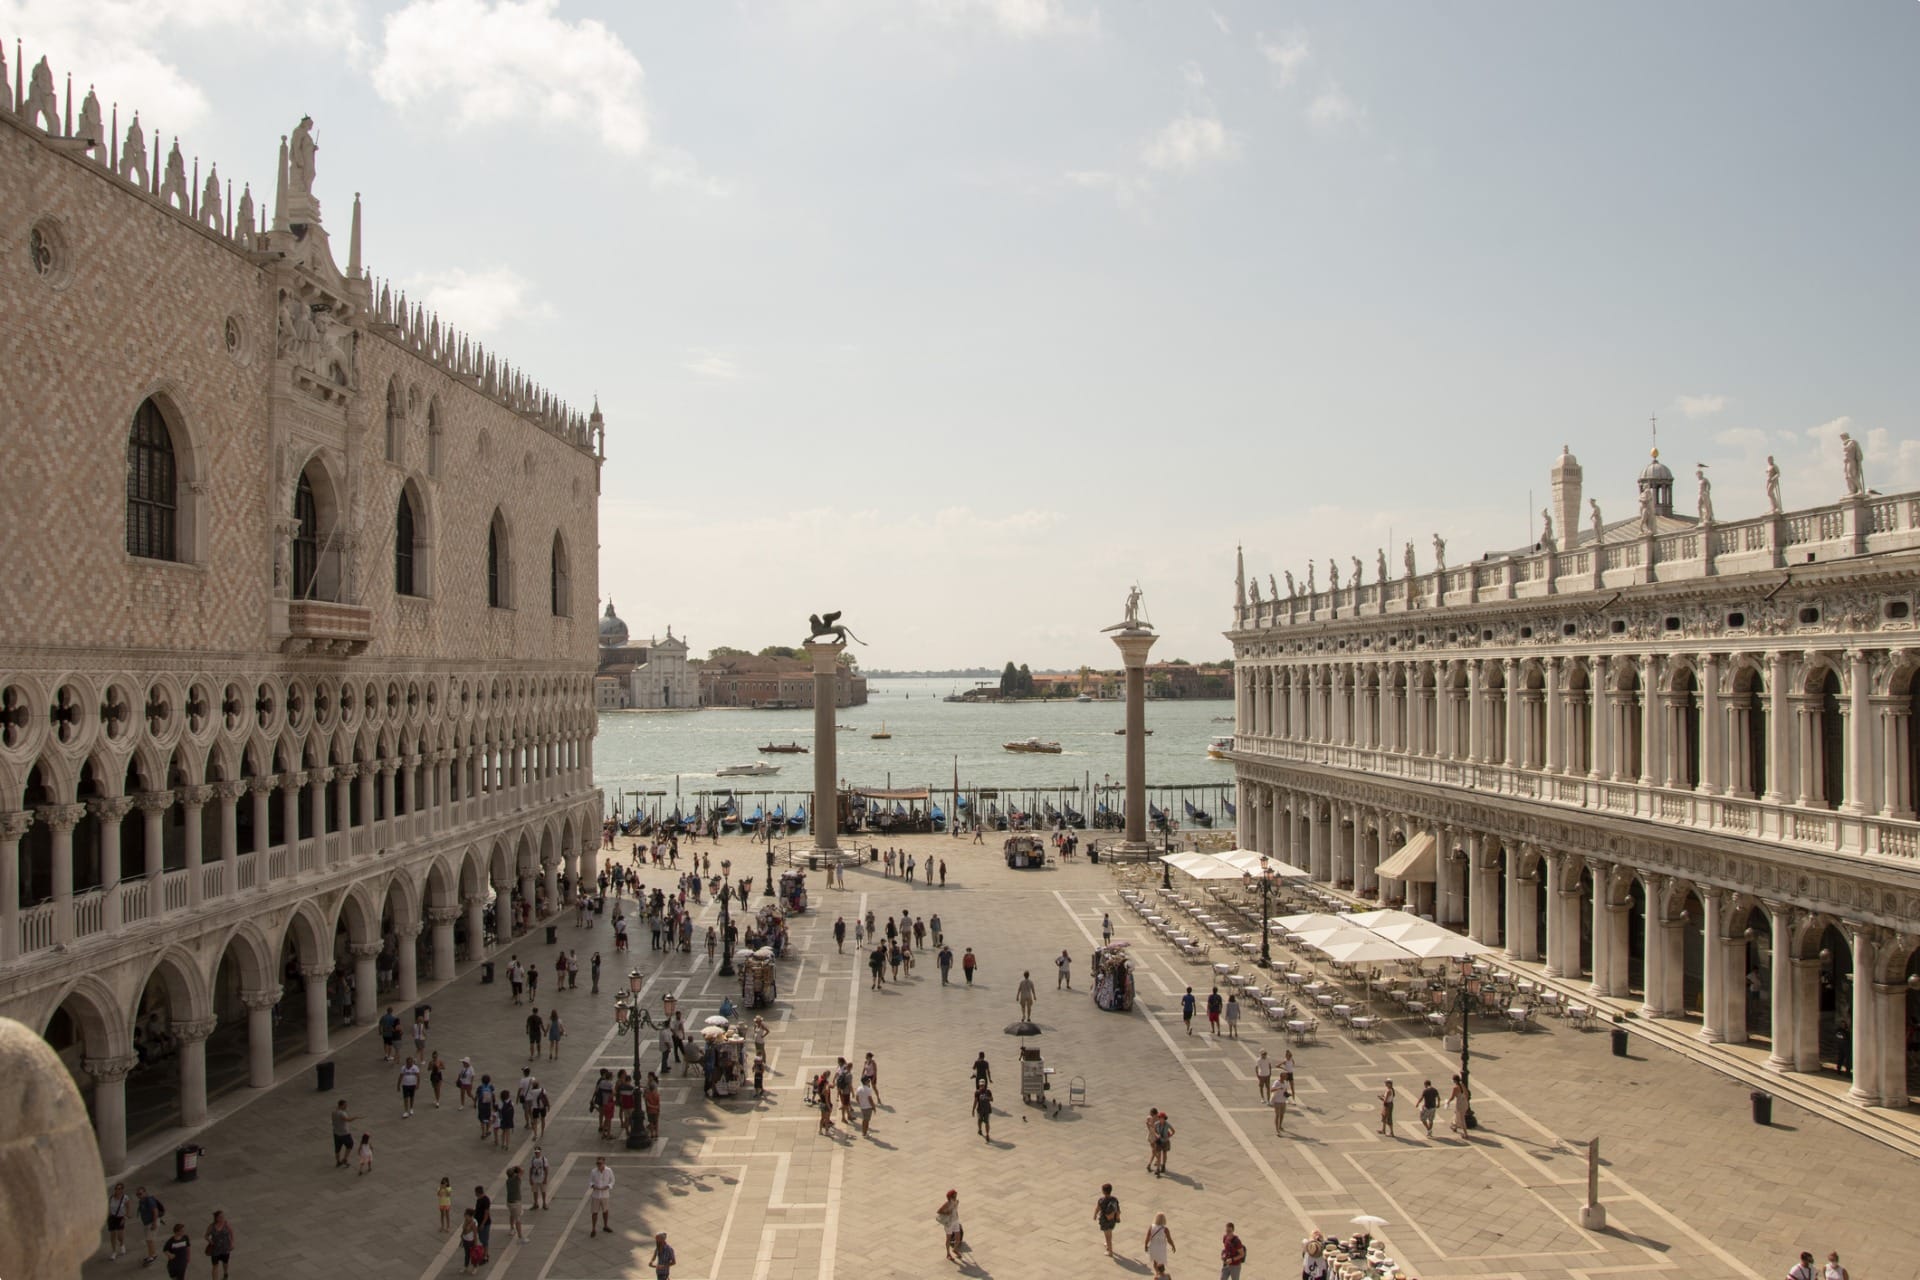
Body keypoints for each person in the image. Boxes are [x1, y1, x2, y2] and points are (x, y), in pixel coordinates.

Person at [137, 1184, 167, 1263]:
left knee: (149, 1239)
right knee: (149, 1240)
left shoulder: (149, 1200)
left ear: (145, 1192)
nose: (139, 1196)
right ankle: (152, 1254)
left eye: (140, 1193)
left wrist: (154, 1223)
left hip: (152, 1222)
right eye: (137, 1194)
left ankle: (152, 1255)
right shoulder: (142, 1201)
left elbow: (155, 1211)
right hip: (147, 1222)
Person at [586, 1157, 615, 1237]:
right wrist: (593, 1186)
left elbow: (613, 1181)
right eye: (597, 1163)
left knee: (605, 1211)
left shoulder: (609, 1170)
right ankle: (593, 1229)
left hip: (605, 1194)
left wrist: (608, 1186)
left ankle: (605, 1226)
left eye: (600, 1163)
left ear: (604, 1163)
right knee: (594, 1212)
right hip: (596, 1195)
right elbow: (590, 1181)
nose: (598, 1165)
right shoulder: (593, 1171)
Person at [203, 1210, 235, 1280]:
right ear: (216, 1218)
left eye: (223, 1217)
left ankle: (225, 1273)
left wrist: (232, 1242)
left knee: (225, 1263)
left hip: (225, 1248)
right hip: (215, 1249)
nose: (222, 1218)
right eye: (220, 1217)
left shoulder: (226, 1224)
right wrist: (210, 1241)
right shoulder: (211, 1226)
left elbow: (231, 1232)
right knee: (215, 1266)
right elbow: (206, 1236)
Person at [936, 1190, 963, 1262]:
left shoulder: (956, 1201)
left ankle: (955, 1249)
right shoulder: (947, 1204)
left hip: (955, 1221)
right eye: (954, 1195)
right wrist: (947, 1212)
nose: (956, 1196)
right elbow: (939, 1211)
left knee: (958, 1238)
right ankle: (948, 1254)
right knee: (948, 1238)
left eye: (956, 1195)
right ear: (951, 1196)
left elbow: (955, 1210)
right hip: (949, 1223)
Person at [106, 1181, 131, 1259]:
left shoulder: (125, 1198)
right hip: (112, 1218)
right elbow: (109, 1207)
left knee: (120, 1235)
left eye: (120, 1188)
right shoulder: (111, 1198)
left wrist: (126, 1216)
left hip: (120, 1217)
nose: (118, 1190)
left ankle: (122, 1244)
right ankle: (114, 1252)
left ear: (122, 1189)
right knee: (112, 1235)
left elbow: (128, 1207)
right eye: (116, 1188)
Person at [1095, 1183, 1121, 1258]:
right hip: (1112, 1220)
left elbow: (1097, 1208)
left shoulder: (1101, 1200)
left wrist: (1095, 1215)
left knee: (1107, 1236)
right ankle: (1108, 1244)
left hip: (1104, 1220)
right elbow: (1118, 1210)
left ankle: (1110, 1251)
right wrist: (1118, 1218)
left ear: (1103, 1191)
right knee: (1109, 1233)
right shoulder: (1114, 1199)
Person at [331, 1099, 358, 1167]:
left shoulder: (334, 1112)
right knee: (350, 1144)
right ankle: (345, 1159)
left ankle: (338, 1162)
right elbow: (348, 1120)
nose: (346, 1106)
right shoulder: (341, 1113)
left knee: (337, 1148)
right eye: (345, 1105)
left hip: (336, 1132)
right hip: (344, 1133)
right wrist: (355, 1117)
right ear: (342, 1105)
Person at [504, 1164, 528, 1242]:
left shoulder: (507, 1181)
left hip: (509, 1202)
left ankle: (511, 1229)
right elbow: (522, 1170)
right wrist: (515, 1168)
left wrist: (513, 1170)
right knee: (518, 1219)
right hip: (516, 1202)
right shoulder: (516, 1179)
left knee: (512, 1215)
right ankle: (520, 1237)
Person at [1150, 1109, 1174, 1175]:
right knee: (1159, 1154)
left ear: (1164, 1118)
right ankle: (1158, 1169)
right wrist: (1157, 1135)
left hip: (1165, 1141)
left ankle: (1163, 1165)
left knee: (1164, 1154)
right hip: (1159, 1141)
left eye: (1163, 1118)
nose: (1161, 1119)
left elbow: (1173, 1131)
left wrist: (1169, 1137)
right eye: (1160, 1118)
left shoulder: (1167, 1124)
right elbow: (1154, 1130)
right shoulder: (1156, 1124)